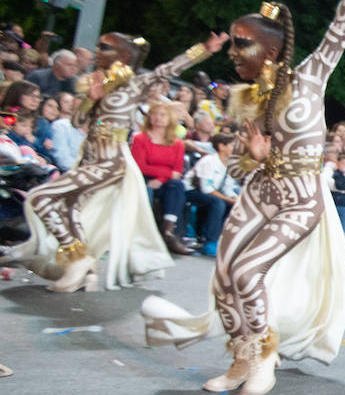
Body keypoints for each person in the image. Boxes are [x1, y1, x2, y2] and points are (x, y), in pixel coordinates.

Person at [142, 0, 345, 395]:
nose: (232, 53)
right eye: (231, 44)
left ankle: (264, 356)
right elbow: (236, 171)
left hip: (298, 201)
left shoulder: (311, 76)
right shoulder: (244, 99)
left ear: (270, 51)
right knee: (225, 275)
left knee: (248, 273)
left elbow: (341, 27)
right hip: (259, 194)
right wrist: (251, 159)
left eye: (241, 44)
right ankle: (241, 359)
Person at [22, 30, 224, 291]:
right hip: (88, 159)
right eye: (98, 46)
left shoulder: (135, 85)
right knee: (72, 211)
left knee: (40, 197)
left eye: (104, 47)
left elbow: (168, 69)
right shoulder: (99, 83)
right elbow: (77, 123)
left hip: (110, 161)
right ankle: (86, 268)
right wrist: (90, 100)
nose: (97, 51)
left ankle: (78, 258)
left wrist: (204, 48)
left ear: (125, 56)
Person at [130, 102, 193, 254]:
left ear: (169, 119)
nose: (158, 118)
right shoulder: (140, 138)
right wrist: (166, 174)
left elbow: (177, 171)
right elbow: (139, 166)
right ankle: (144, 235)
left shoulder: (177, 143)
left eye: (162, 115)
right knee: (147, 188)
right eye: (154, 114)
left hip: (163, 182)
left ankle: (168, 232)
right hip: (143, 178)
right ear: (149, 117)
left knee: (177, 185)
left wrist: (161, 179)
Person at [184, 132, 240, 247]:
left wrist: (235, 199)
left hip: (211, 192)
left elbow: (227, 187)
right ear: (221, 146)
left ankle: (221, 237)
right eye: (232, 145)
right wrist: (228, 199)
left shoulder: (229, 164)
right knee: (218, 203)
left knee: (233, 205)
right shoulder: (209, 161)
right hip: (191, 190)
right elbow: (206, 189)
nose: (235, 148)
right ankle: (211, 241)